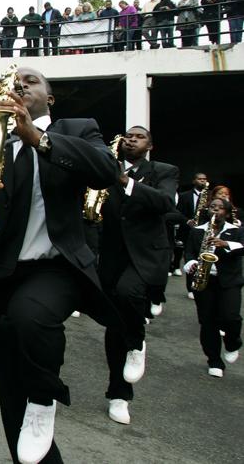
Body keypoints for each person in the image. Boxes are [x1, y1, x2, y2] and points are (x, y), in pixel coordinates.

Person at [0, 66, 119, 464]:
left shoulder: (77, 129)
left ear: (50, 99)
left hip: (54, 267)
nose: (21, 84)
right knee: (9, 380)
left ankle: (45, 397)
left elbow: (106, 171)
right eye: (13, 82)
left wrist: (37, 139)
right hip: (0, 272)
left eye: (32, 81)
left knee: (29, 320)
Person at [99, 126, 179, 426]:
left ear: (150, 145)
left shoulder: (164, 170)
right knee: (114, 325)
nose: (131, 139)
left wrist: (124, 180)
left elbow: (164, 203)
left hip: (145, 257)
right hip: (110, 256)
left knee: (128, 294)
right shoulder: (106, 165)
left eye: (139, 136)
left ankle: (138, 341)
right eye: (128, 136)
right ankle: (118, 395)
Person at [184, 198, 243, 378]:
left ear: (226, 212)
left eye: (220, 208)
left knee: (231, 317)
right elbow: (189, 253)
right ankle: (214, 360)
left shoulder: (236, 231)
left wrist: (225, 244)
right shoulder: (198, 232)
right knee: (208, 321)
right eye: (212, 207)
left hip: (229, 281)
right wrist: (192, 264)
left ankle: (232, 343)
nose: (215, 210)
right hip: (205, 280)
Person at [175, 172, 209, 293]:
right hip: (187, 230)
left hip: (203, 232)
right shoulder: (184, 196)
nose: (202, 181)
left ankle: (202, 283)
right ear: (194, 181)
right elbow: (177, 212)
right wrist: (187, 221)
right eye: (200, 179)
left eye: (204, 179)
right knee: (189, 258)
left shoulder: (209, 197)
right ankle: (190, 287)